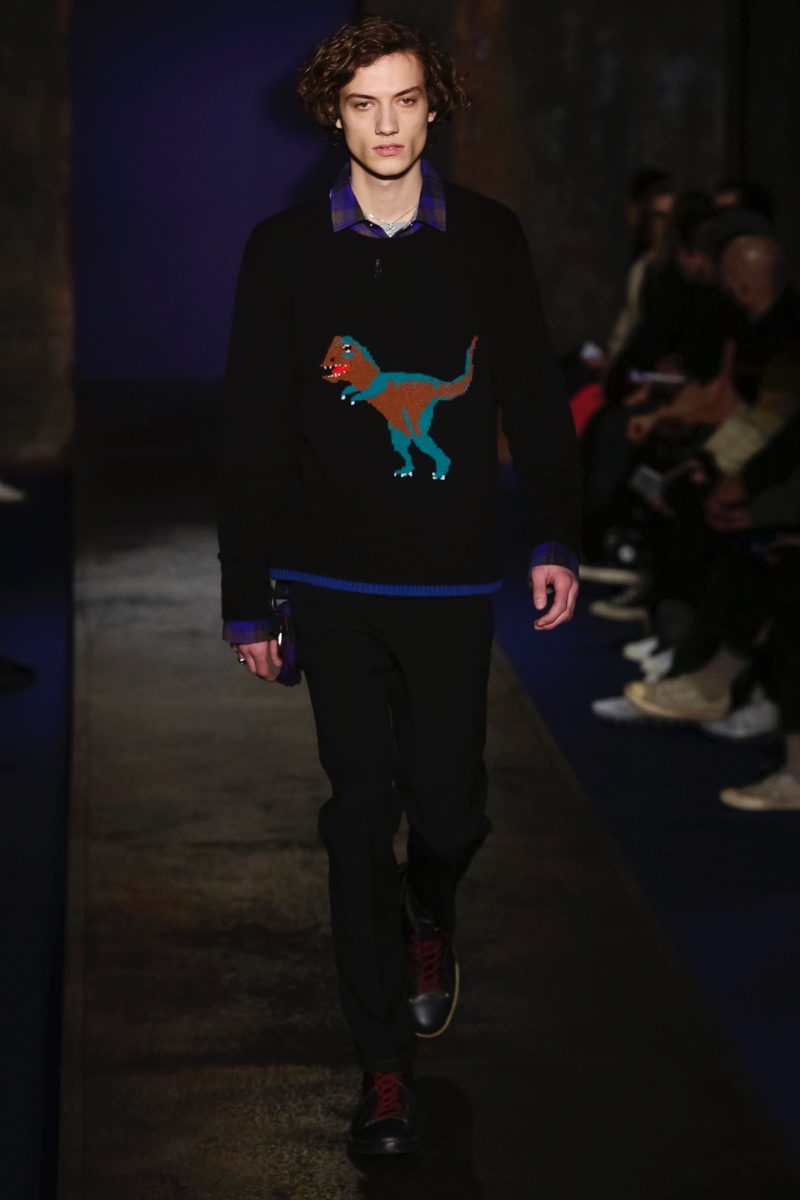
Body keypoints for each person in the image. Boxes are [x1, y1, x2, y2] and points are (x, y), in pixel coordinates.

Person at [216, 16, 581, 1156]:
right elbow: (253, 424)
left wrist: (556, 535)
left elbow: (531, 391)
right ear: (335, 114)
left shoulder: (486, 237)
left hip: (448, 578)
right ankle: (383, 1069)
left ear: (433, 108)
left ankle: (431, 899)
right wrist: (245, 590)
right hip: (327, 575)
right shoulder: (284, 250)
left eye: (405, 100)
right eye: (363, 103)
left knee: (451, 808)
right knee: (355, 816)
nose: (386, 124)